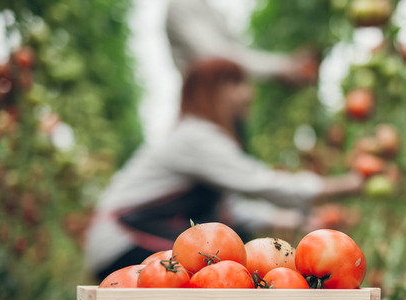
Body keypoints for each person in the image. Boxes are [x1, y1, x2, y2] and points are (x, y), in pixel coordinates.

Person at [84, 58, 362, 281]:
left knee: (226, 260)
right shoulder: (197, 138)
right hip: (123, 242)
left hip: (125, 238)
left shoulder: (198, 138)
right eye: (237, 83)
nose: (248, 94)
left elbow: (234, 211)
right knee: (225, 268)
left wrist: (299, 221)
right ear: (213, 91)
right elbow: (261, 183)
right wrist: (345, 184)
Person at [165, 0, 317, 85]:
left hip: (225, 114)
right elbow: (216, 58)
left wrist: (286, 65)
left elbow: (237, 52)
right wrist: (283, 66)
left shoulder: (213, 13)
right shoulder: (182, 6)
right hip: (203, 112)